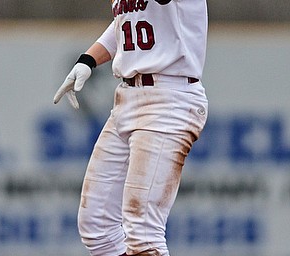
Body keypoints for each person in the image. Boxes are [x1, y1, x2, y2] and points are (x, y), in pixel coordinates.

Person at [53, 0, 208, 255]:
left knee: (144, 233)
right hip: (128, 96)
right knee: (97, 226)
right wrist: (88, 60)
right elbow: (125, 23)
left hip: (170, 96)